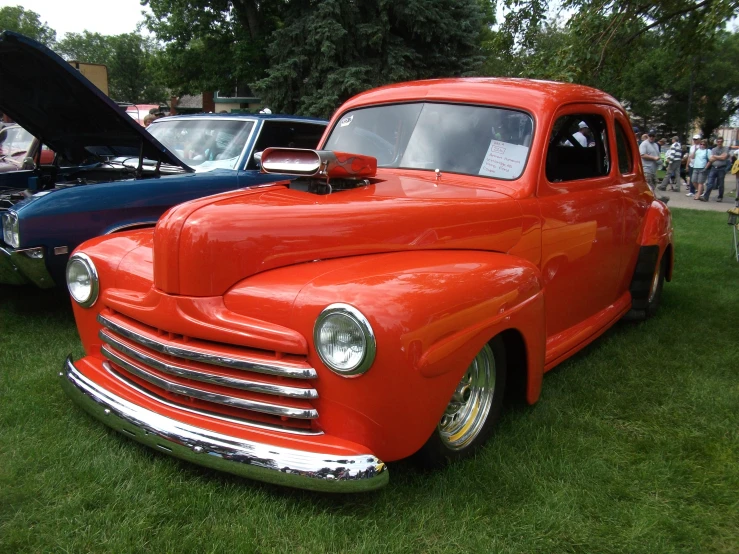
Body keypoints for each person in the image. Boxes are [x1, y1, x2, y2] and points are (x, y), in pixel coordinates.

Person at [700, 137, 729, 202]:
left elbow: (724, 157)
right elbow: (711, 159)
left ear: (722, 142)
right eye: (718, 142)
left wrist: (715, 157)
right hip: (713, 168)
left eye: (721, 142)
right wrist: (720, 157)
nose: (719, 143)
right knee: (710, 183)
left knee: (721, 184)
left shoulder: (726, 148)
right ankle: (706, 197)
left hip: (722, 168)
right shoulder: (713, 149)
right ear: (716, 142)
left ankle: (720, 197)